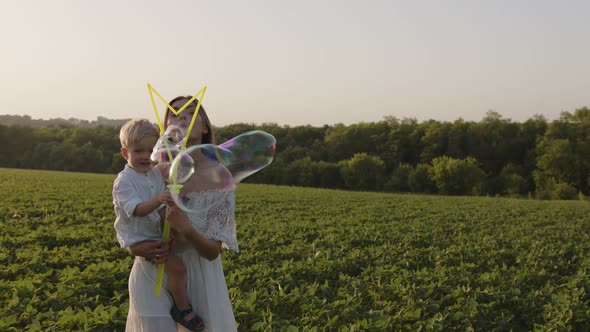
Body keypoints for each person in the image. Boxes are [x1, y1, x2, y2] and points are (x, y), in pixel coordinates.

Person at [125, 97, 239, 332]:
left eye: (190, 112)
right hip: (152, 271)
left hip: (198, 276)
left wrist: (186, 227)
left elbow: (212, 251)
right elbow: (128, 221)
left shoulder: (220, 176)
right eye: (174, 114)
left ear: (205, 126)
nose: (181, 117)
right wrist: (133, 248)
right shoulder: (152, 172)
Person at [113, 119, 205, 331]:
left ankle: (179, 306)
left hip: (154, 234)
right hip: (139, 238)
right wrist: (160, 200)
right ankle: (182, 309)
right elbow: (137, 210)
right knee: (177, 267)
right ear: (125, 153)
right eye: (138, 151)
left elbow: (165, 201)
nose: (145, 156)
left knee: (175, 268)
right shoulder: (124, 181)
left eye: (149, 150)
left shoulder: (155, 173)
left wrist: (172, 201)